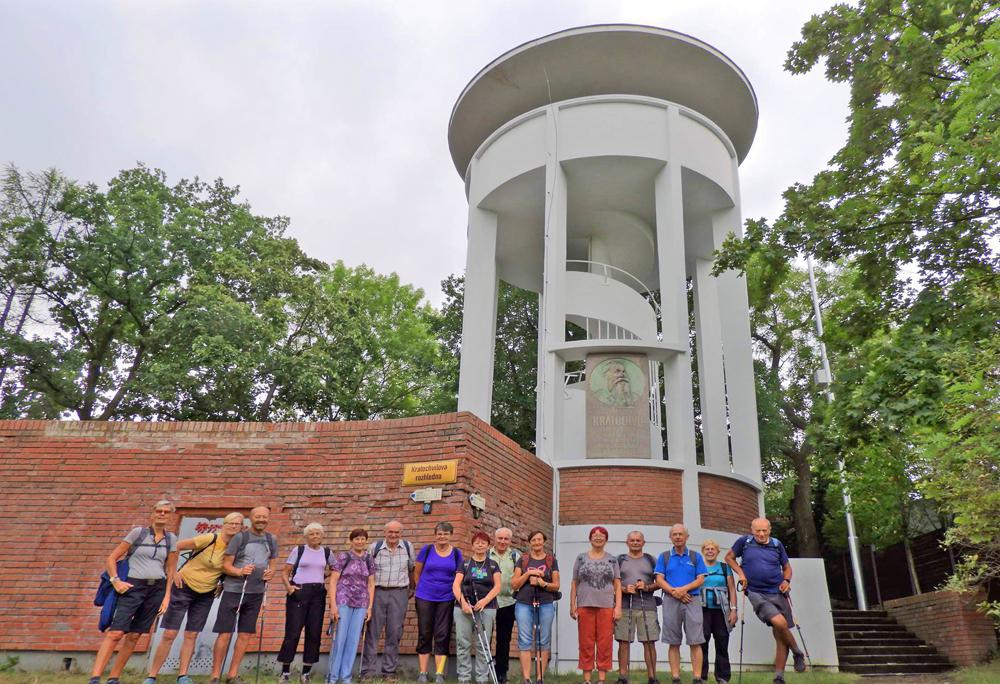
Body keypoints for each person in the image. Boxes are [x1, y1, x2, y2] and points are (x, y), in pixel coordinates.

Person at [145, 512, 244, 684]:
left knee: (191, 634)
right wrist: (173, 572)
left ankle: (182, 675)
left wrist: (221, 583)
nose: (234, 526)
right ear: (224, 524)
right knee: (169, 633)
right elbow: (176, 546)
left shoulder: (236, 548)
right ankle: (152, 675)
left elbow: (228, 569)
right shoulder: (210, 538)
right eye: (231, 523)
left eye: (238, 524)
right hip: (183, 587)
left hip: (206, 593)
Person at [90, 500, 178, 684]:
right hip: (133, 587)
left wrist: (167, 597)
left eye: (166, 512)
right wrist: (116, 581)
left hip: (157, 589)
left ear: (171, 516)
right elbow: (112, 558)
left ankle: (114, 678)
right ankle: (95, 678)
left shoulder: (171, 539)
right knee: (116, 633)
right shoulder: (138, 533)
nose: (162, 514)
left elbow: (171, 570)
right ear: (152, 514)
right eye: (159, 511)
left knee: (135, 635)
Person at [725, 518, 806, 684]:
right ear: (752, 529)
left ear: (770, 530)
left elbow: (787, 568)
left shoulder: (777, 544)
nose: (761, 534)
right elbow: (729, 558)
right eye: (757, 531)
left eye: (764, 531)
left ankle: (779, 677)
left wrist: (786, 581)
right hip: (755, 592)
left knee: (780, 635)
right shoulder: (744, 542)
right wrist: (741, 574)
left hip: (778, 591)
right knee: (780, 623)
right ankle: (797, 652)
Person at [210, 505, 278, 684]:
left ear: (268, 518)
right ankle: (215, 675)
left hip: (256, 593)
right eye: (258, 517)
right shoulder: (240, 537)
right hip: (234, 591)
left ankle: (232, 675)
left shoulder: (272, 539)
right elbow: (226, 565)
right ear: (251, 518)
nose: (261, 520)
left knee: (245, 634)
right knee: (224, 633)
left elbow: (273, 565)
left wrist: (271, 573)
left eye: (264, 517)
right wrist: (240, 572)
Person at [360, 520, 415, 682]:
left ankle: (389, 673)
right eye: (390, 532)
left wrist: (411, 589)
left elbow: (411, 569)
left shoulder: (407, 547)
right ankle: (367, 672)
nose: (393, 535)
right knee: (372, 632)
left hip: (399, 593)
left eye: (396, 532)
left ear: (401, 533)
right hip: (377, 592)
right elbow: (366, 573)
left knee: (394, 633)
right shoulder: (374, 548)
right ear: (385, 532)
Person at [278, 522, 332, 683]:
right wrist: (289, 589)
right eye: (311, 534)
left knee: (314, 633)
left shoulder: (327, 552)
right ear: (306, 536)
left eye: (318, 533)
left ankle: (305, 673)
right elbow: (285, 572)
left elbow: (334, 569)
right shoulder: (299, 550)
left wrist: (322, 577)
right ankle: (285, 673)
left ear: (322, 535)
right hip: (299, 592)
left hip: (318, 594)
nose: (315, 536)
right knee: (293, 633)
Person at [654, 524, 707, 684]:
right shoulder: (664, 557)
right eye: (675, 534)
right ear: (670, 537)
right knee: (673, 641)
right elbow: (659, 579)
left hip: (692, 600)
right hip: (670, 600)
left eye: (681, 534)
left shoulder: (695, 556)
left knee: (695, 641)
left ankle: (697, 678)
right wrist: (675, 592)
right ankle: (675, 677)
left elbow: (701, 579)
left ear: (687, 537)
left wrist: (683, 590)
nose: (678, 537)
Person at [570, 526, 622, 684]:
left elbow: (618, 585)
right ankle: (587, 679)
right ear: (590, 538)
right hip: (585, 605)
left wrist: (617, 607)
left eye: (601, 536)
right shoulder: (581, 558)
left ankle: (601, 679)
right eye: (595, 535)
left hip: (606, 606)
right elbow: (574, 583)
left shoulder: (612, 559)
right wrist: (572, 605)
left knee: (605, 642)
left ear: (606, 539)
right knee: (586, 642)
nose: (598, 538)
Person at [414, 522, 463, 684]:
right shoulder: (426, 550)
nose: (442, 536)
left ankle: (439, 674)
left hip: (446, 598)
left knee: (442, 635)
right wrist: (420, 588)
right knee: (424, 633)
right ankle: (423, 672)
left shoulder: (457, 553)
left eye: (446, 534)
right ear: (435, 535)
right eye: (439, 533)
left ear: (451, 535)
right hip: (424, 597)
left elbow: (459, 575)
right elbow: (417, 572)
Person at [327, 528, 376, 684]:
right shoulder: (343, 556)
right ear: (351, 540)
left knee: (354, 640)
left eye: (363, 539)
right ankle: (333, 677)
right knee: (340, 638)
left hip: (361, 602)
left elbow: (371, 584)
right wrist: (333, 606)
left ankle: (346, 676)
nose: (360, 541)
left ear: (366, 541)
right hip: (343, 600)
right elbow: (333, 581)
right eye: (357, 539)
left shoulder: (369, 559)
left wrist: (369, 607)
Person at [452, 531, 502, 684]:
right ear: (472, 545)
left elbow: (498, 586)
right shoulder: (465, 564)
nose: (480, 545)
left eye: (483, 542)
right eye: (477, 542)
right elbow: (455, 585)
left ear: (488, 546)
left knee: (483, 644)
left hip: (486, 608)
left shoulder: (493, 564)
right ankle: (464, 678)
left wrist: (485, 601)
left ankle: (482, 678)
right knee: (463, 643)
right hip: (464, 608)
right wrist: (463, 603)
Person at [511, 530, 560, 684]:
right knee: (525, 640)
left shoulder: (551, 560)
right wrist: (528, 574)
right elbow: (514, 583)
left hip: (545, 603)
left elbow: (556, 585)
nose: (537, 543)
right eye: (534, 540)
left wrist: (542, 583)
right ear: (530, 542)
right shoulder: (523, 560)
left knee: (543, 640)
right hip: (524, 603)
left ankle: (540, 677)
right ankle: (526, 678)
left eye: (539, 540)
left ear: (543, 541)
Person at [614, 531, 660, 684]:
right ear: (627, 542)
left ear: (643, 542)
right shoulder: (619, 560)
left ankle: (652, 677)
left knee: (649, 641)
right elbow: (612, 583)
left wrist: (646, 587)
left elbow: (660, 582)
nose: (635, 543)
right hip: (625, 606)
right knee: (623, 642)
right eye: (632, 540)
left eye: (638, 540)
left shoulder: (651, 560)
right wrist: (624, 589)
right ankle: (622, 677)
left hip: (647, 606)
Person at [699, 539, 737, 684]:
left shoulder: (724, 567)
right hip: (702, 609)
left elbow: (732, 589)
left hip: (722, 610)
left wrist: (733, 610)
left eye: (712, 549)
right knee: (702, 642)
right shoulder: (698, 567)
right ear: (703, 551)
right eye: (707, 549)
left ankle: (722, 677)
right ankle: (701, 676)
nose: (710, 551)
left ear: (717, 552)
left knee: (722, 642)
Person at [488, 527, 520, 684]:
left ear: (510, 541)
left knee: (503, 639)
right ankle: (484, 672)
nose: (502, 541)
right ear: (494, 539)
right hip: (487, 603)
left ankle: (501, 673)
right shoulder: (486, 554)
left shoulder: (515, 556)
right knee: (485, 638)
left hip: (508, 602)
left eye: (506, 539)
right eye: (499, 538)